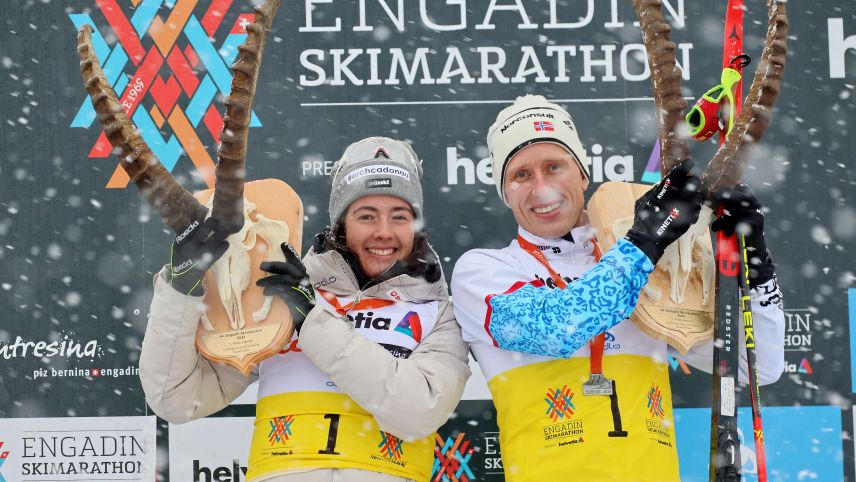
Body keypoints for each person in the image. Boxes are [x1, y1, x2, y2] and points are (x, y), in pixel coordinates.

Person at [450, 95, 785, 481]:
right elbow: (559, 327)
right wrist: (647, 240)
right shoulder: (484, 270)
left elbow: (754, 368)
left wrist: (756, 267)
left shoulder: (644, 261)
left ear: (582, 174)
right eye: (521, 175)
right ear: (505, 192)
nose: (541, 188)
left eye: (554, 167)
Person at [140, 137, 471, 482]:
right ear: (342, 223)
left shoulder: (439, 312)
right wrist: (180, 288)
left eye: (399, 216)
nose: (384, 232)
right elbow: (176, 399)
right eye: (366, 216)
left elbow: (418, 411)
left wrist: (312, 321)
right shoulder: (276, 294)